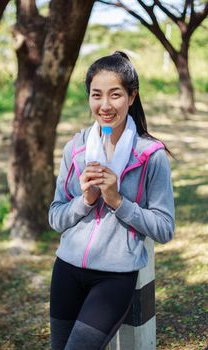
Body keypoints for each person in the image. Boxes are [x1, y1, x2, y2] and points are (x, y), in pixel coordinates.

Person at [48, 51, 175, 350]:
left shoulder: (150, 156)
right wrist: (86, 199)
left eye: (115, 94)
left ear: (132, 97)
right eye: (96, 95)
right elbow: (55, 217)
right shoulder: (76, 148)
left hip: (114, 277)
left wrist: (118, 201)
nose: (105, 105)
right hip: (66, 269)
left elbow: (165, 228)